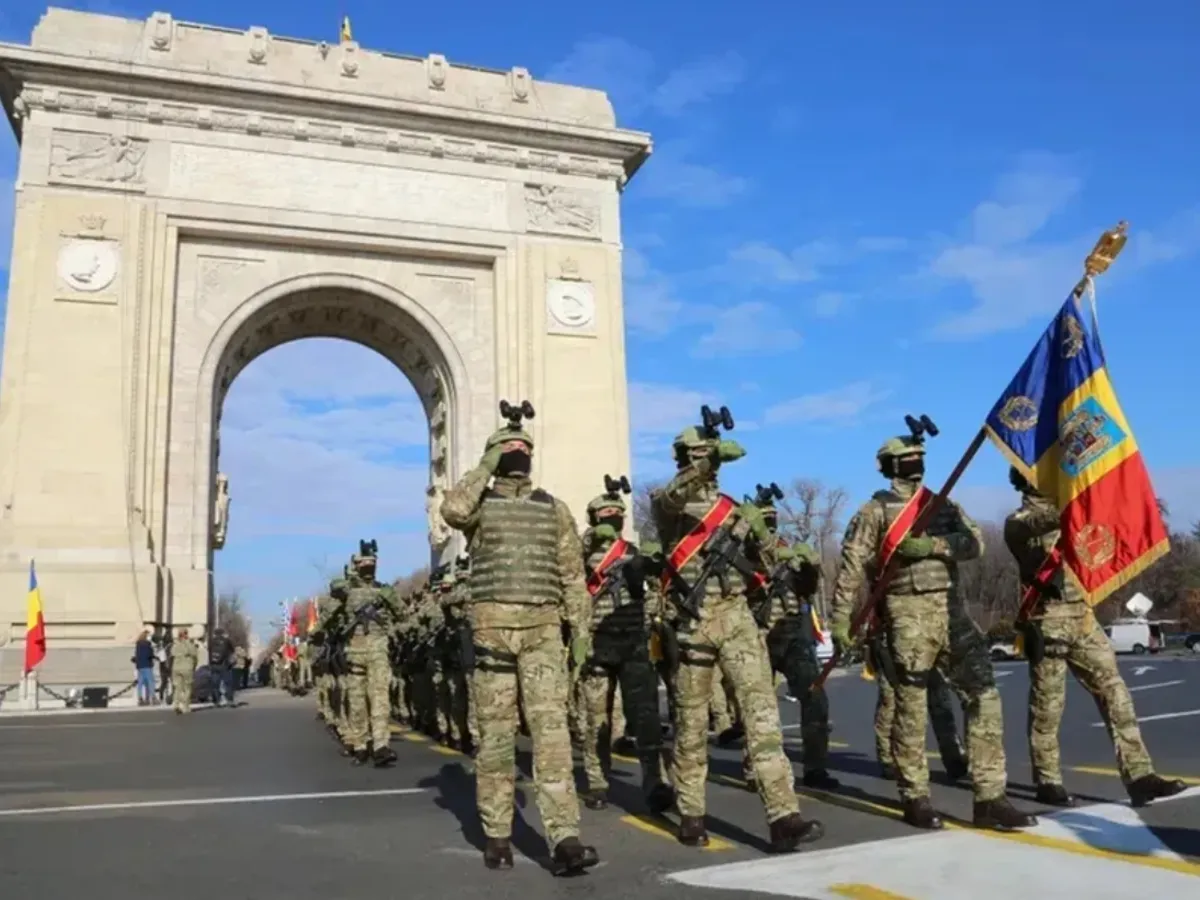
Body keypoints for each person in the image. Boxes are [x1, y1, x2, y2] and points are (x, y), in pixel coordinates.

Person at [830, 430, 1036, 831]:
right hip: (906, 612)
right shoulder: (873, 512)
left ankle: (990, 796)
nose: (915, 462)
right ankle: (916, 797)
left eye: (919, 456)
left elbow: (974, 543)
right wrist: (841, 618)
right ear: (888, 465)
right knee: (910, 708)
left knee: (984, 696)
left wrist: (936, 547)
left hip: (953, 611)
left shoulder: (942, 504)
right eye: (907, 457)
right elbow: (852, 567)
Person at [441, 403, 599, 876]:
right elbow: (452, 508)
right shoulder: (480, 506)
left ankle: (565, 838)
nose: (519, 455)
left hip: (543, 632)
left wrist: (582, 631)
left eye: (524, 449)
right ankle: (497, 835)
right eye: (509, 449)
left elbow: (573, 576)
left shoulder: (553, 509)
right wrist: (485, 465)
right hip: (492, 634)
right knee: (495, 739)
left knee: (552, 736)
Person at [651, 423, 822, 852]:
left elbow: (765, 563)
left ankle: (784, 815)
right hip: (693, 623)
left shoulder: (732, 511)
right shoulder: (667, 505)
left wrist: (771, 541)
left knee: (762, 715)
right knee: (691, 724)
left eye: (708, 456)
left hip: (737, 618)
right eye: (697, 456)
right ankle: (691, 811)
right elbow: (673, 497)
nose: (705, 464)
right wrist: (707, 464)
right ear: (683, 460)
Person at [1004, 467, 1186, 807]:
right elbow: (1039, 525)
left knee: (1116, 694)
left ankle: (1140, 775)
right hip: (1048, 623)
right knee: (1047, 707)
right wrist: (1076, 501)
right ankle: (1048, 779)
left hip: (1084, 620)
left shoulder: (1074, 505)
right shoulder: (1018, 521)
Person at [576, 484, 674, 814]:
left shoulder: (633, 553)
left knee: (645, 717)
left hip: (634, 644)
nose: (613, 519)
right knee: (596, 721)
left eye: (617, 514)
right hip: (597, 647)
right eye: (606, 515)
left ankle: (655, 782)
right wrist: (589, 540)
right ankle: (598, 782)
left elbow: (654, 592)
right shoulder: (580, 556)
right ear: (593, 519)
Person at [331, 541, 400, 767]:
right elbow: (335, 589)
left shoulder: (382, 591)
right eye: (366, 563)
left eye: (371, 563)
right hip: (360, 652)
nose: (369, 567)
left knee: (375, 698)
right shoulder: (349, 589)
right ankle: (364, 744)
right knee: (362, 700)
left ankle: (377, 745)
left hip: (372, 651)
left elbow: (402, 613)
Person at [170, 628, 199, 714]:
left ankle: (176, 704)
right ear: (186, 634)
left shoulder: (175, 644)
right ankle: (185, 706)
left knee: (177, 688)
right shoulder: (189, 644)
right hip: (187, 668)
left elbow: (172, 653)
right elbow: (195, 655)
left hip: (176, 668)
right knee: (187, 688)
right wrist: (194, 666)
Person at [207, 627, 236, 707]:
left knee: (215, 684)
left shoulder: (211, 642)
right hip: (225, 665)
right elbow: (232, 651)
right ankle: (230, 700)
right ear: (223, 633)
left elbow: (209, 652)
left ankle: (216, 701)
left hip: (214, 666)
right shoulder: (226, 641)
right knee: (228, 683)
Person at [132, 630, 156, 706]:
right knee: (150, 682)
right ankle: (153, 698)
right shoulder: (147, 645)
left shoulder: (138, 645)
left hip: (140, 666)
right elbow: (150, 654)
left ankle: (140, 698)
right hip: (147, 665)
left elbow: (137, 655)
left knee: (141, 683)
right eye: (149, 636)